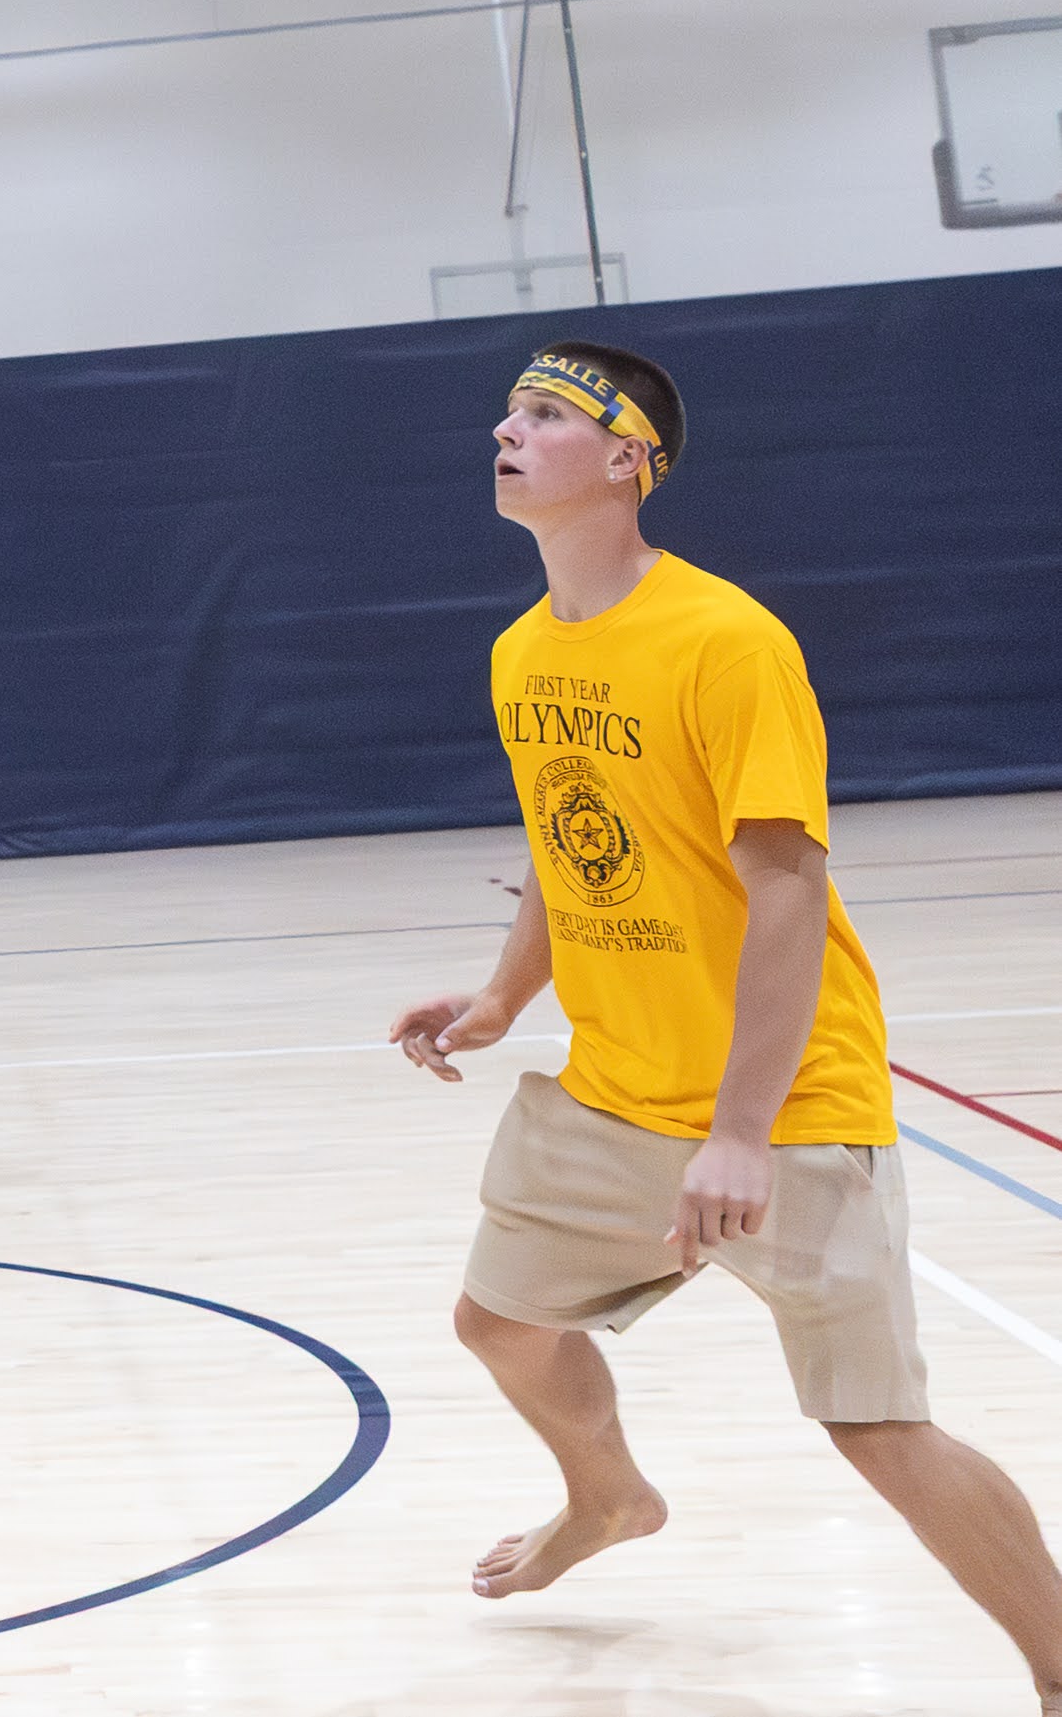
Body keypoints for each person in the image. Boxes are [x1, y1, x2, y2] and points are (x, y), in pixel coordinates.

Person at [392, 343, 1062, 1694]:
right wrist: (502, 992)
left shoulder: (723, 640)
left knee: (875, 1427)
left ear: (627, 458)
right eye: (508, 410)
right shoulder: (522, 650)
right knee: (499, 1321)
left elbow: (785, 886)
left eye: (541, 415)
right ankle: (606, 1498)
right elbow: (563, 837)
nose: (500, 428)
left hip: (786, 1107)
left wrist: (739, 1134)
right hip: (610, 1087)